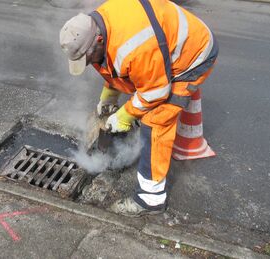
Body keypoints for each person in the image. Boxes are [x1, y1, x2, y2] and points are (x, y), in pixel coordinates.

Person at [59, 0, 218, 217]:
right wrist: (109, 98)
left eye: (87, 58)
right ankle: (137, 148)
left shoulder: (135, 46)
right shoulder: (99, 23)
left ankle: (150, 199)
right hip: (160, 53)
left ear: (97, 38)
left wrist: (126, 115)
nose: (88, 64)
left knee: (155, 120)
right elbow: (117, 65)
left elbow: (156, 92)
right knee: (142, 92)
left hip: (192, 57)